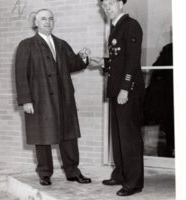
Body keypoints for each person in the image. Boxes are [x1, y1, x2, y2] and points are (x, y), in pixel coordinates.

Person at [15, 8, 91, 186]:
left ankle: (73, 171)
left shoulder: (61, 44)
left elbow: (72, 64)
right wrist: (26, 100)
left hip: (64, 98)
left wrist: (82, 57)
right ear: (36, 23)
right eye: (43, 19)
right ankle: (45, 174)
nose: (47, 22)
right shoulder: (26, 45)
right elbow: (20, 74)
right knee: (42, 137)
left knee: (69, 136)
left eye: (50, 19)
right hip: (40, 99)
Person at [89, 0, 145, 196]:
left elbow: (132, 60)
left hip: (126, 91)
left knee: (129, 138)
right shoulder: (116, 28)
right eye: (104, 5)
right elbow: (118, 61)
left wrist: (125, 89)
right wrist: (103, 62)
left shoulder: (131, 26)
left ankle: (134, 182)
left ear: (121, 3)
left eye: (111, 3)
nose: (107, 8)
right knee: (119, 137)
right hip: (116, 90)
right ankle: (121, 174)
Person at [144, 43, 174, 157]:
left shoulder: (169, 49)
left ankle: (170, 149)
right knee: (169, 126)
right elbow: (156, 69)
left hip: (167, 97)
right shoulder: (170, 49)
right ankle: (170, 149)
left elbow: (156, 69)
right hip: (167, 97)